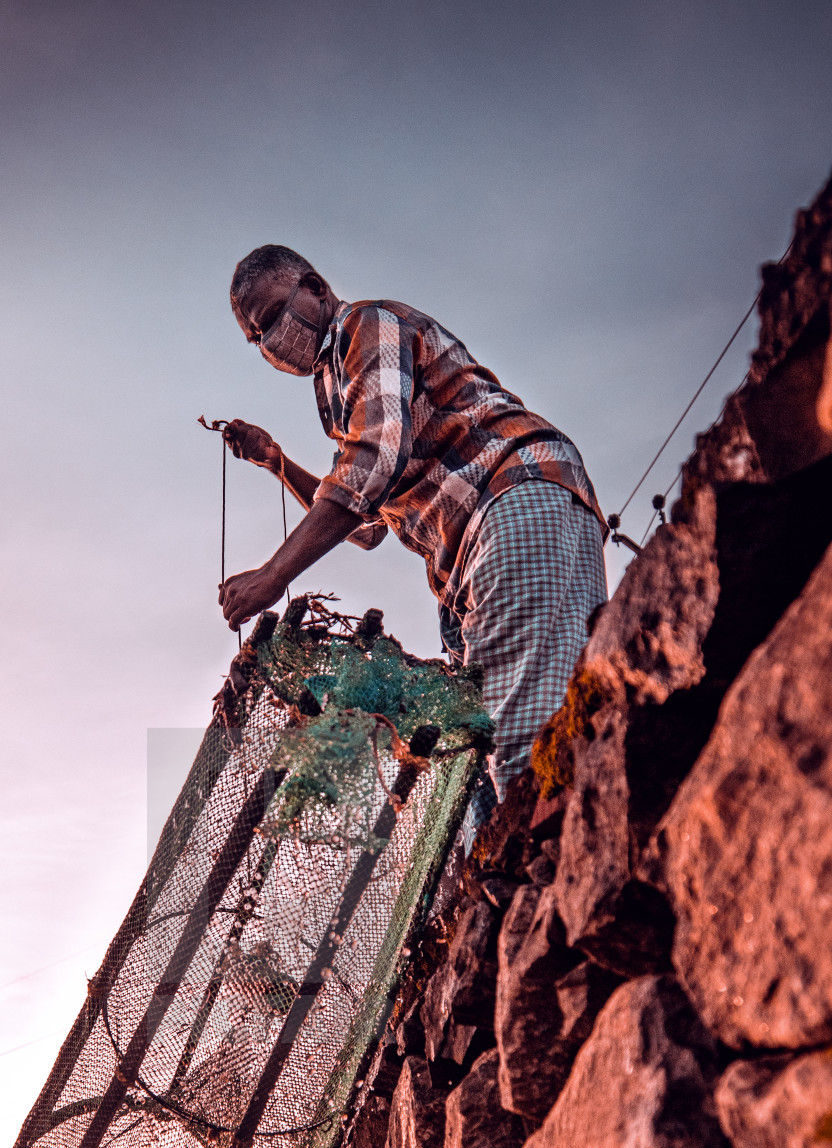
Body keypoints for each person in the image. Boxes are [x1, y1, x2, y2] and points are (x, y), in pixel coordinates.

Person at [219, 243, 608, 834]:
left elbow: (370, 465)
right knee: (534, 744)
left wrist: (274, 575)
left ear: (316, 288)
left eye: (274, 316)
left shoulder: (364, 325)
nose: (272, 339)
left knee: (521, 749)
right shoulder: (335, 388)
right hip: (494, 540)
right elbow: (369, 524)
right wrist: (278, 463)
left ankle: (567, 891)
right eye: (256, 337)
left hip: (513, 499)